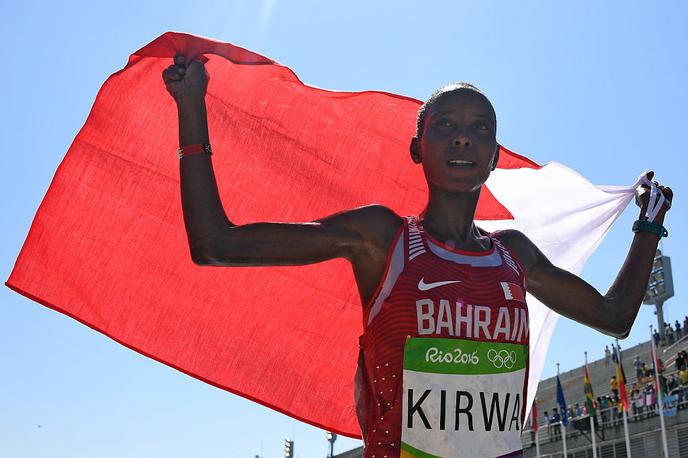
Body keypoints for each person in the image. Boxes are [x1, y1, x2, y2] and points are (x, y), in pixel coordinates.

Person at [162, 54, 674, 458]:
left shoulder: (513, 255)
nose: (462, 136)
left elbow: (614, 318)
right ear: (416, 147)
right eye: (446, 124)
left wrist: (648, 226)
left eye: (480, 129)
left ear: (494, 156)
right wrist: (191, 110)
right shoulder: (380, 237)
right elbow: (217, 245)